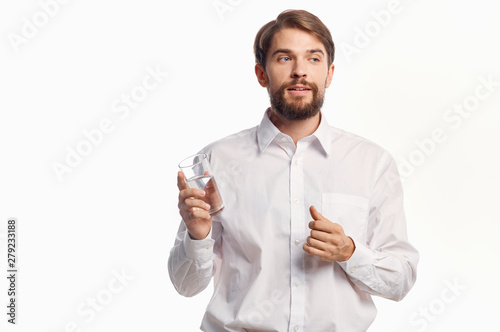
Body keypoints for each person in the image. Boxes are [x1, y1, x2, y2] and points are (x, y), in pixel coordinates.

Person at [168, 9, 419, 332]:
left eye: (313, 59)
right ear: (262, 74)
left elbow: (401, 280)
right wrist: (197, 235)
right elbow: (185, 285)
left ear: (329, 74)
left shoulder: (371, 163)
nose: (300, 71)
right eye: (284, 58)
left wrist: (349, 252)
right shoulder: (217, 159)